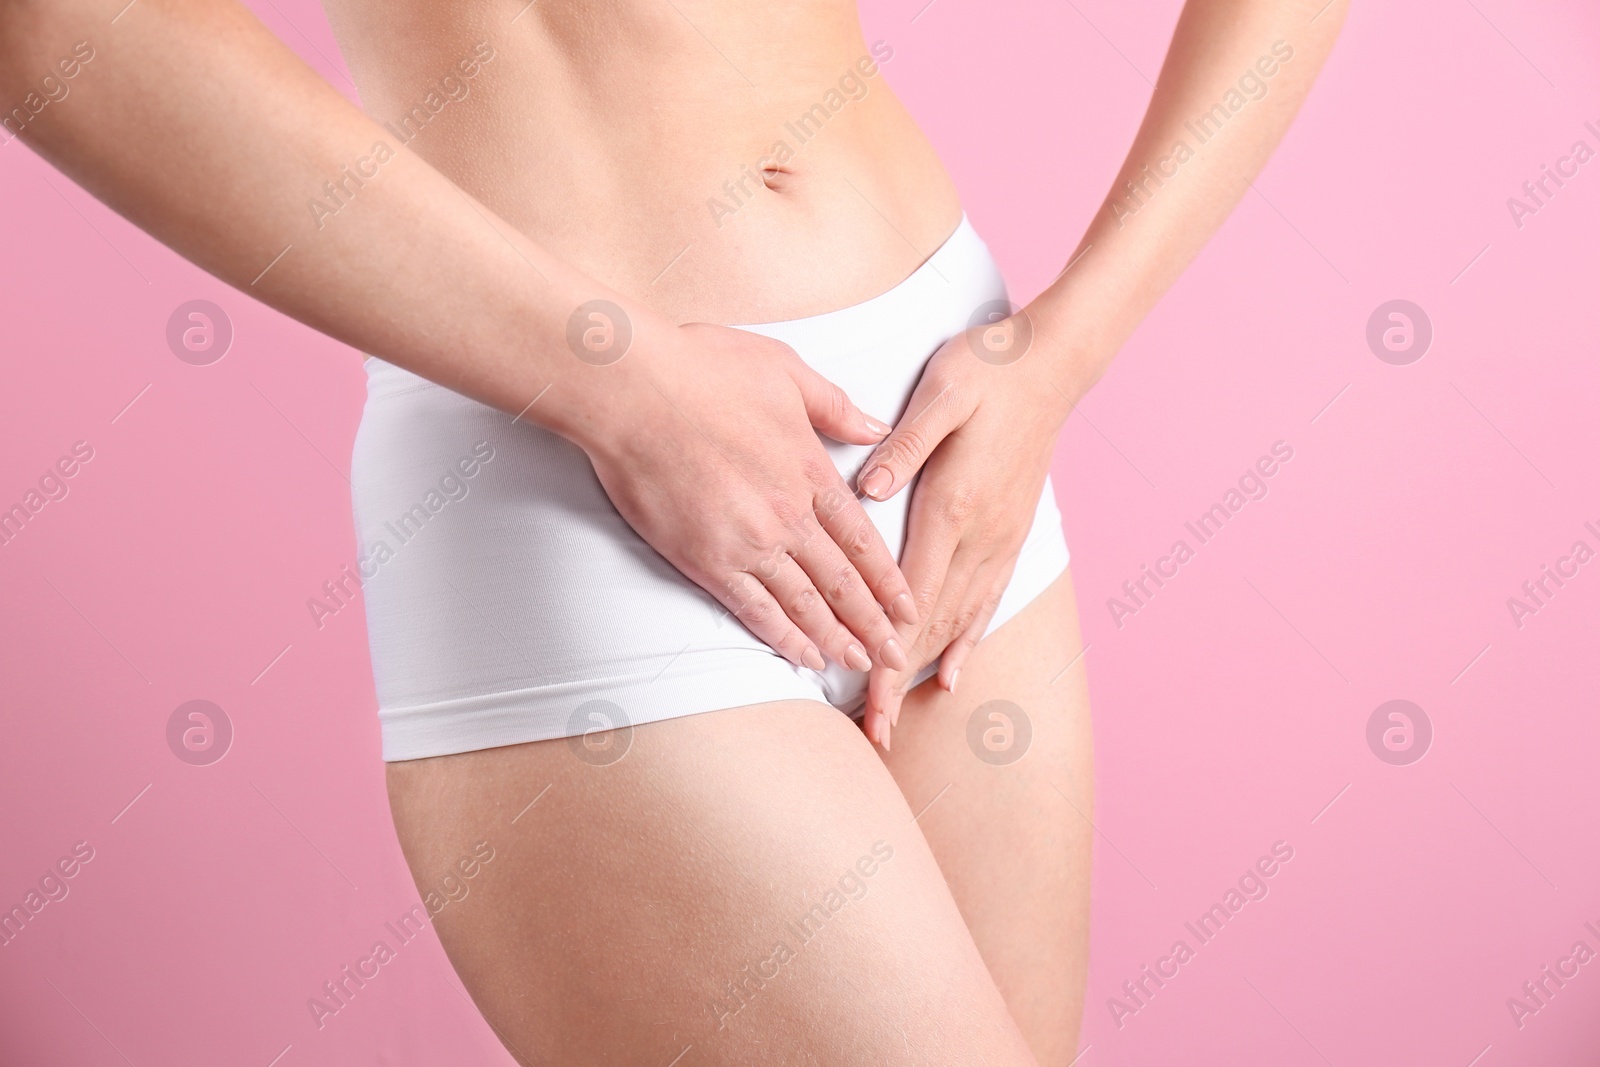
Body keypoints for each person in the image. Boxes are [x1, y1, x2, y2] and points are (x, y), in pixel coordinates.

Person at [0, 0, 1345, 1061]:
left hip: (951, 428)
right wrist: (614, 383)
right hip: (570, 454)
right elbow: (52, 24)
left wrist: (1061, 352)